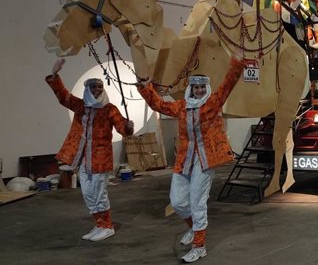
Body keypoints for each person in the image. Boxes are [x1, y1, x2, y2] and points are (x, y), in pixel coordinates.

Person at [137, 57, 245, 263]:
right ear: (190, 89)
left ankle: (199, 246)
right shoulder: (181, 107)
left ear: (207, 88)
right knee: (177, 201)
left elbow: (227, 85)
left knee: (197, 202)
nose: (199, 91)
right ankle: (193, 228)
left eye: (202, 87)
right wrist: (145, 87)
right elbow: (158, 105)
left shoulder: (213, 104)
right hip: (184, 159)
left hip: (205, 160)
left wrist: (237, 63)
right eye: (196, 88)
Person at [46, 58, 134, 242]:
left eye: (100, 88)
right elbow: (63, 96)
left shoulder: (109, 109)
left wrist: (128, 126)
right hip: (82, 159)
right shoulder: (80, 106)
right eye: (93, 88)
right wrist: (54, 75)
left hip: (100, 160)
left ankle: (107, 226)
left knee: (99, 192)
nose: (97, 90)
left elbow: (122, 129)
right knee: (87, 193)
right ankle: (99, 223)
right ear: (87, 90)